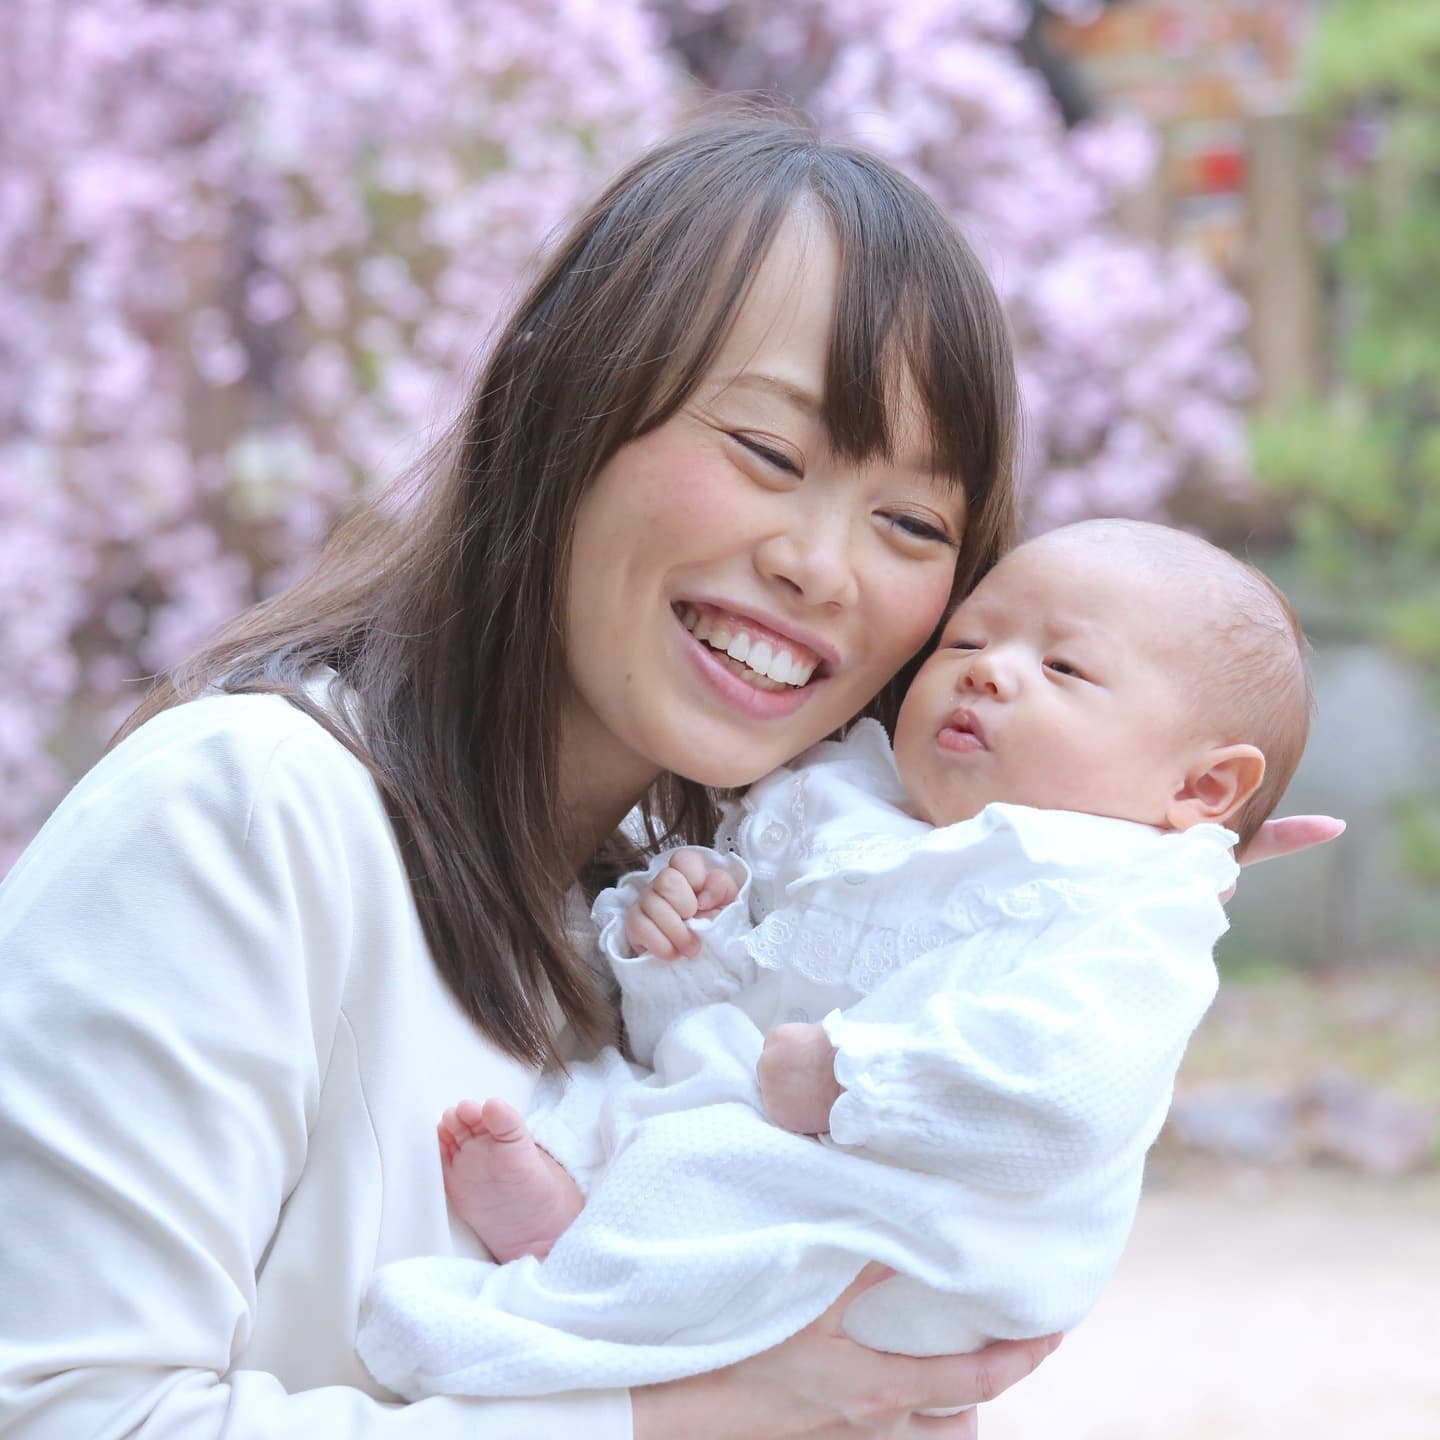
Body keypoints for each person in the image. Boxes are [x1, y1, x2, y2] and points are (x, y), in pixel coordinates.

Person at [0, 109, 1335, 1440]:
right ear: (560, 402)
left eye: (914, 523)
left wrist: (1090, 878)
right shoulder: (242, 813)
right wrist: (679, 1417)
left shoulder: (679, 916)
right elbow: (63, 1414)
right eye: (767, 454)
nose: (823, 565)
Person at [355, 519, 1314, 1401]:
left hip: (934, 1218)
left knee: (717, 1166)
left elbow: (1065, 1094)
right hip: (784, 1126)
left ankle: (539, 1330)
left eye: (1063, 667)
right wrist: (689, 947)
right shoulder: (846, 804)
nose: (986, 672)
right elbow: (714, 1034)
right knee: (621, 1089)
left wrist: (855, 1081)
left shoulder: (1127, 902)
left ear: (1204, 785)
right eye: (968, 641)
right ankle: (585, 1231)